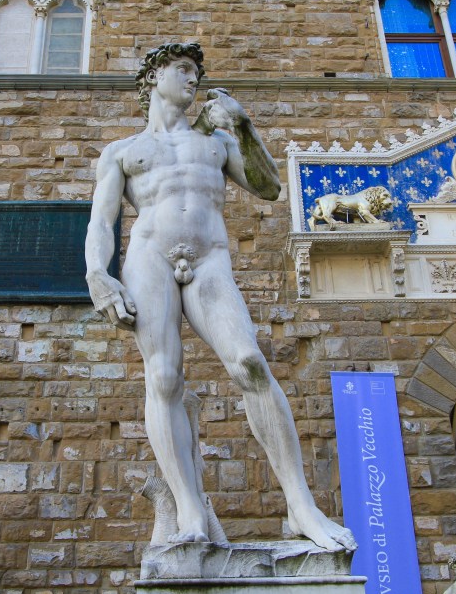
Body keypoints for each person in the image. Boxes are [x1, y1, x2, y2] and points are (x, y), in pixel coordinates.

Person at [84, 42, 356, 552]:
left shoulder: (215, 142)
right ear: (154, 78)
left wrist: (245, 125)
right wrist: (98, 275)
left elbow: (270, 187)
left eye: (196, 72)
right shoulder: (122, 151)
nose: (193, 79)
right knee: (164, 376)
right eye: (183, 70)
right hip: (149, 258)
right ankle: (190, 512)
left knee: (250, 362)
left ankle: (301, 506)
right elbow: (102, 221)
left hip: (209, 259)